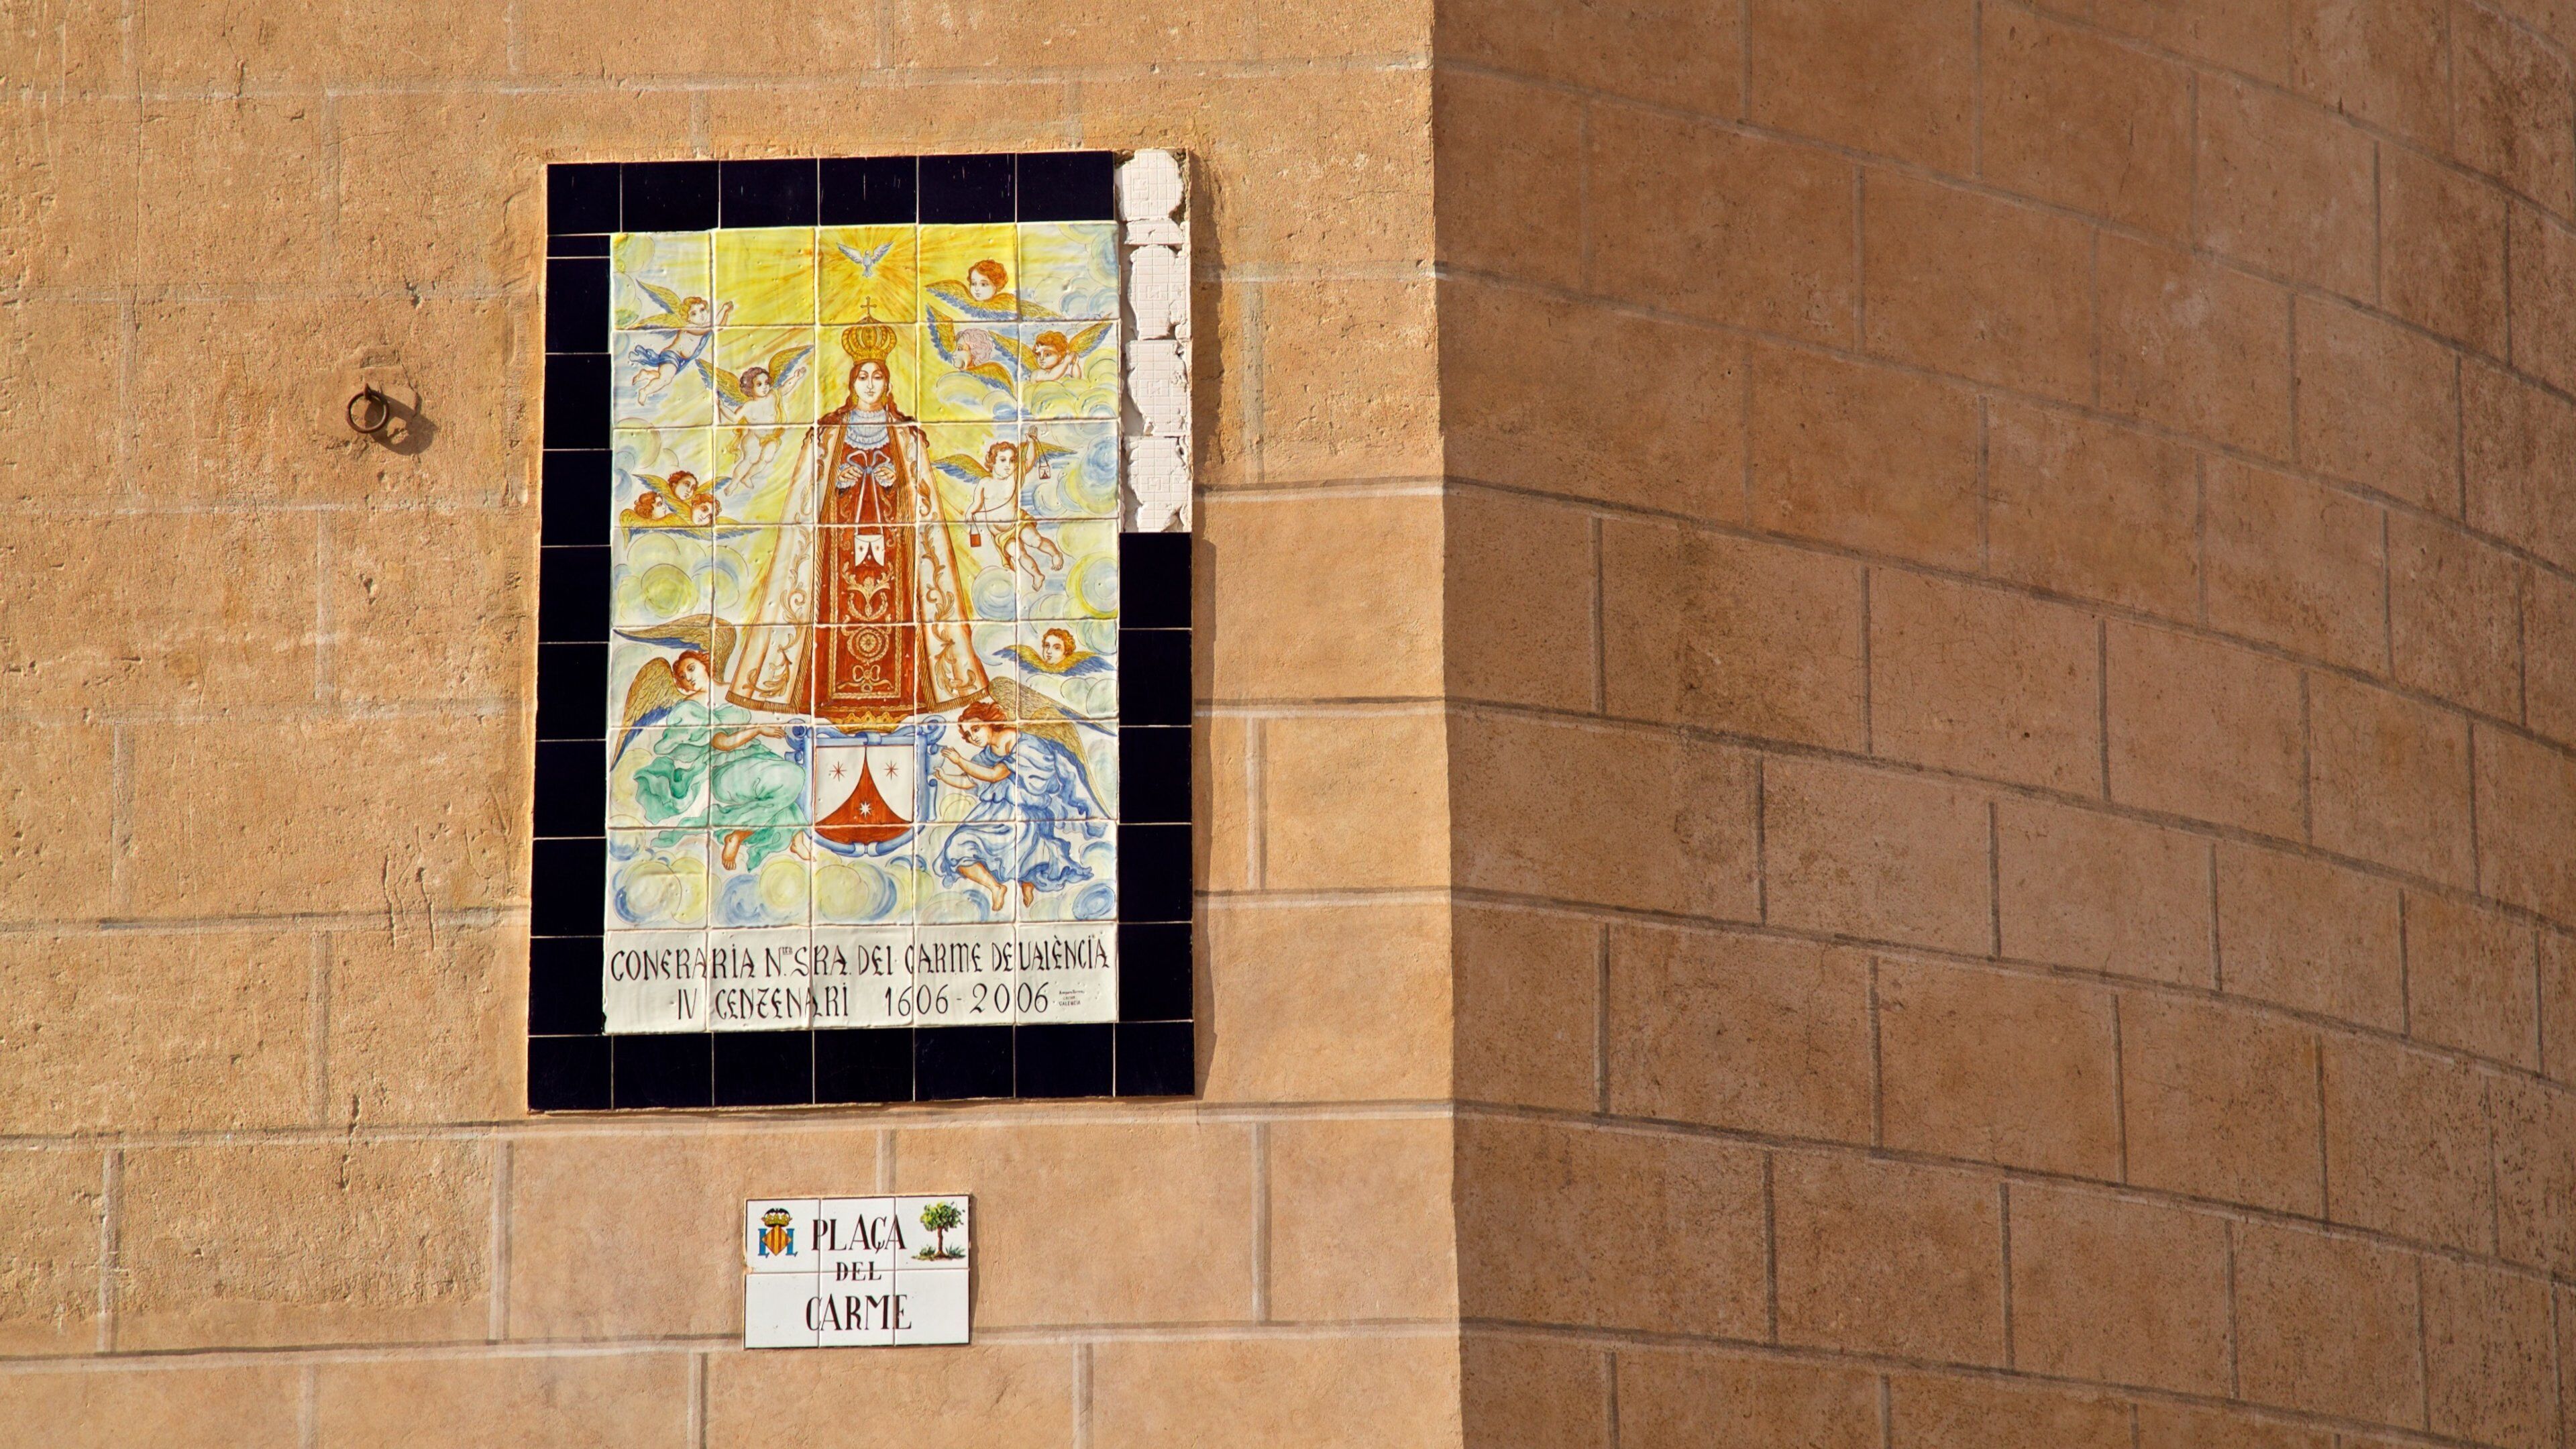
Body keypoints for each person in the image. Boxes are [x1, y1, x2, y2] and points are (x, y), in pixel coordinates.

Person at [629, 651, 812, 870]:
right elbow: (722, 743)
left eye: (691, 668)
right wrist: (758, 730)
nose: (688, 677)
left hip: (755, 760)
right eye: (682, 676)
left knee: (783, 793)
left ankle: (791, 839)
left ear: (704, 663)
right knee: (792, 776)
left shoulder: (730, 690)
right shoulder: (689, 709)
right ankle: (737, 834)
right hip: (726, 772)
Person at [931, 698, 1104, 912]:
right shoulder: (986, 755)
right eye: (967, 734)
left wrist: (960, 761)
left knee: (1025, 853)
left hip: (1023, 813)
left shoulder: (1018, 742)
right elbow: (971, 781)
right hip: (994, 814)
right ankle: (995, 887)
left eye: (976, 729)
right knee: (957, 846)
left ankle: (1028, 884)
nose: (972, 737)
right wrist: (944, 776)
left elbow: (995, 775)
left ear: (990, 721)